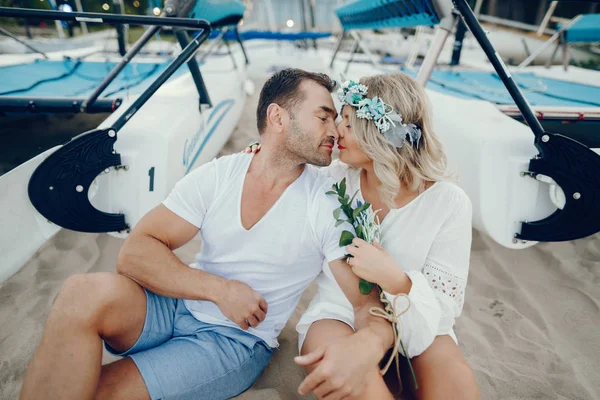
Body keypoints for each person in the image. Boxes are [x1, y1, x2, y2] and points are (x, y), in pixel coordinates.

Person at [19, 69, 395, 400]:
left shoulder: (327, 203)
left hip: (234, 341)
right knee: (80, 291)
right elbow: (134, 253)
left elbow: (366, 303)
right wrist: (220, 290)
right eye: (323, 117)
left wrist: (367, 344)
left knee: (99, 391)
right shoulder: (219, 175)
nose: (334, 131)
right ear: (278, 117)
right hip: (176, 306)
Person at [246, 72, 480, 399]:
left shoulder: (448, 203)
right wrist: (261, 153)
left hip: (419, 320)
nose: (336, 130)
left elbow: (445, 308)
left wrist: (395, 279)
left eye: (348, 121)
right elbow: (280, 167)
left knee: (454, 381)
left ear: (380, 132)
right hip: (339, 311)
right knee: (351, 379)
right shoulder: (330, 179)